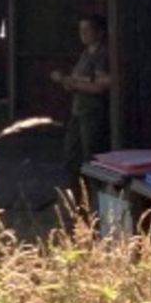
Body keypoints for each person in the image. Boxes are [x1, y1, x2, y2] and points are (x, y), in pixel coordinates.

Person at [50, 14, 111, 185]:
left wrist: (73, 83)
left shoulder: (101, 54)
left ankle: (95, 197)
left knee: (92, 156)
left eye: (87, 30)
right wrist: (66, 80)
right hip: (78, 110)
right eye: (80, 30)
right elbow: (75, 80)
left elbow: (100, 86)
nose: (82, 34)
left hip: (92, 112)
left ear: (99, 33)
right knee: (72, 156)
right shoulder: (85, 53)